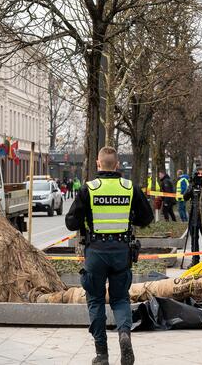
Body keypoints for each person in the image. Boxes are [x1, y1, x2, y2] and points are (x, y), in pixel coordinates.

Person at [66, 146, 154, 365]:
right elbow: (146, 218)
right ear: (117, 165)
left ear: (98, 164)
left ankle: (102, 354)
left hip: (95, 252)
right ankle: (124, 333)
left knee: (95, 300)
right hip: (121, 252)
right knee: (120, 298)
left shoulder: (89, 189)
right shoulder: (129, 188)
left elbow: (71, 223)